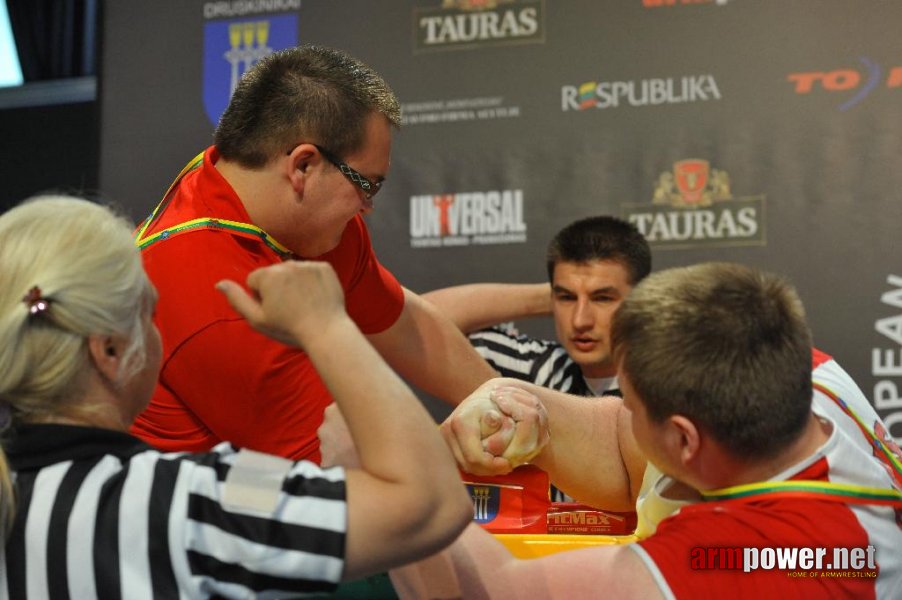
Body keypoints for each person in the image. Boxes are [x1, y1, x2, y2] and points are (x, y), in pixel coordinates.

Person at [0, 196, 473, 597]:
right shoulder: (195, 497)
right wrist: (325, 325)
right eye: (149, 315)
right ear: (109, 350)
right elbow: (432, 506)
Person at [392, 262, 902, 599]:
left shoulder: (751, 559)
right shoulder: (796, 373)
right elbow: (623, 447)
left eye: (633, 406)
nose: (622, 412)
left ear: (684, 439)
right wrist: (530, 409)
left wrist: (393, 471)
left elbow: (488, 590)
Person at [130, 45, 496, 462]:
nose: (368, 206)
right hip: (191, 511)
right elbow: (350, 470)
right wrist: (457, 443)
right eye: (368, 185)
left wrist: (503, 402)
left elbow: (404, 325)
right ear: (303, 166)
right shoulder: (212, 295)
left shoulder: (300, 216)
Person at [423, 215, 651, 398]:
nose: (580, 320)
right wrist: (548, 297)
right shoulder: (546, 369)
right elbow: (415, 321)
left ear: (640, 301)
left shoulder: (667, 385)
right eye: (567, 298)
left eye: (602, 298)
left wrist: (567, 294)